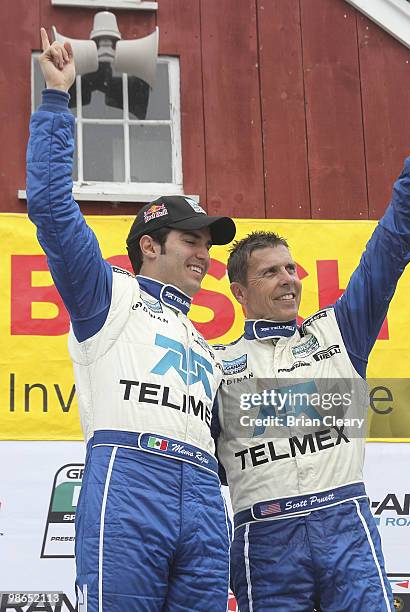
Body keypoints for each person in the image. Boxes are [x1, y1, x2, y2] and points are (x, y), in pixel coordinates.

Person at [213, 89, 410, 611]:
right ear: (240, 290)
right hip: (263, 534)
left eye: (291, 269)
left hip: (343, 519)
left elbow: (389, 250)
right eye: (270, 272)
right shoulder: (215, 364)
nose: (288, 280)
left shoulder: (336, 332)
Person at [27, 29, 235, 611]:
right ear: (148, 246)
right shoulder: (106, 296)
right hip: (129, 477)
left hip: (201, 492)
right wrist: (55, 100)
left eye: (208, 244)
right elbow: (49, 205)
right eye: (190, 240)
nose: (204, 253)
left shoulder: (203, 338)